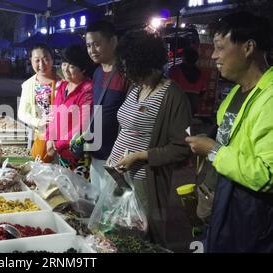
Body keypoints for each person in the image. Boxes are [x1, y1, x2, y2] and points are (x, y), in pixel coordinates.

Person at [185, 11, 273, 252]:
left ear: (248, 48)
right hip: (223, 205)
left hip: (252, 218)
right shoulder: (235, 93)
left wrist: (212, 150)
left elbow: (268, 175)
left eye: (220, 48)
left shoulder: (270, 98)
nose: (214, 56)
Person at [109, 30, 192, 247]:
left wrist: (139, 156)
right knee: (119, 231)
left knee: (143, 237)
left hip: (145, 180)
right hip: (120, 174)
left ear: (147, 62)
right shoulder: (136, 87)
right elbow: (127, 128)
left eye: (131, 67)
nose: (127, 73)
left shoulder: (173, 95)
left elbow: (182, 147)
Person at [84, 20, 129, 193]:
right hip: (97, 152)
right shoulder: (97, 72)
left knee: (114, 207)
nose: (92, 50)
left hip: (117, 157)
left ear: (113, 41)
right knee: (97, 203)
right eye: (88, 45)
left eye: (96, 44)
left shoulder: (126, 73)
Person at [45, 45, 94, 179]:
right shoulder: (63, 85)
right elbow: (53, 114)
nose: (65, 69)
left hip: (77, 154)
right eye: (64, 63)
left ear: (83, 68)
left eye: (71, 66)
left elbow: (83, 125)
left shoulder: (87, 89)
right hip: (61, 152)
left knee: (77, 194)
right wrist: (49, 137)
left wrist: (57, 144)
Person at [18, 43, 58, 162]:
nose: (41, 64)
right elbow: (22, 113)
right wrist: (38, 121)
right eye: (37, 60)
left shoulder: (64, 81)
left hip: (62, 139)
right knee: (41, 172)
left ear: (52, 59)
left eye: (46, 59)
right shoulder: (28, 85)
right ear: (31, 61)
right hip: (40, 137)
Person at [169, 47, 210, 116]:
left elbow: (169, 86)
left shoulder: (175, 70)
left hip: (177, 104)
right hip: (193, 105)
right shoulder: (201, 74)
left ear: (184, 58)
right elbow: (203, 91)